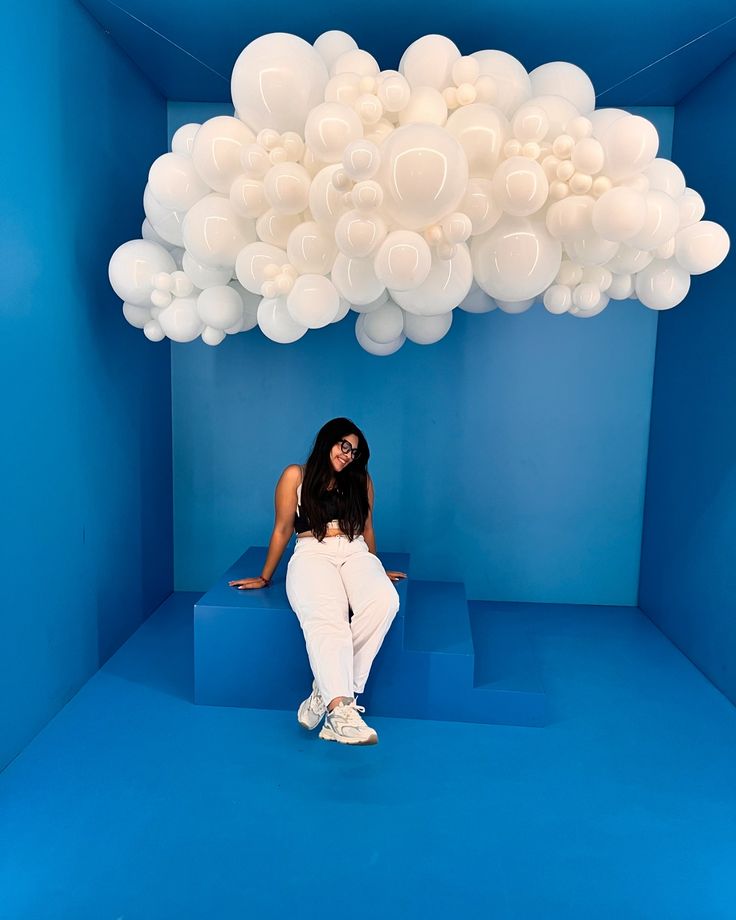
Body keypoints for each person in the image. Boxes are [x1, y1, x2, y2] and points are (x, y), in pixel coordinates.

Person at [228, 418, 406, 746]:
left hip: (355, 551)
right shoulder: (295, 475)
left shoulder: (361, 480)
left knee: (385, 602)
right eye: (344, 446)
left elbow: (367, 529)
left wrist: (377, 567)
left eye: (355, 451)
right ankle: (340, 711)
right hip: (313, 552)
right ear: (328, 441)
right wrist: (266, 575)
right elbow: (283, 528)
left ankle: (323, 691)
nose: (349, 455)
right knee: (329, 619)